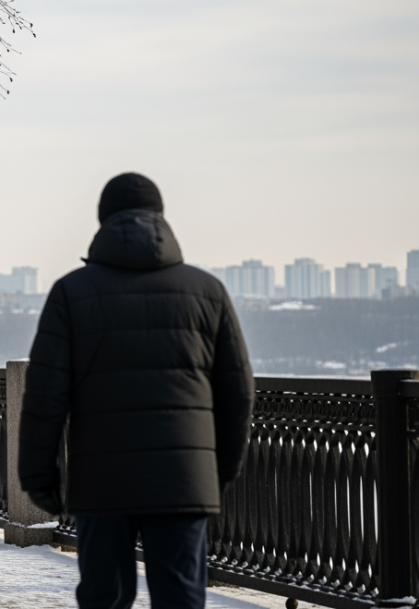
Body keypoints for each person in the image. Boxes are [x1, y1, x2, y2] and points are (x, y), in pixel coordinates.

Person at [18, 173, 255, 609]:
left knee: (104, 598)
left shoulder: (72, 292)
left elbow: (44, 396)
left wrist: (38, 477)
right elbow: (237, 394)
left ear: (103, 220)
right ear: (161, 217)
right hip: (183, 479)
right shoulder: (208, 292)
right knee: (180, 599)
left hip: (101, 480)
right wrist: (217, 471)